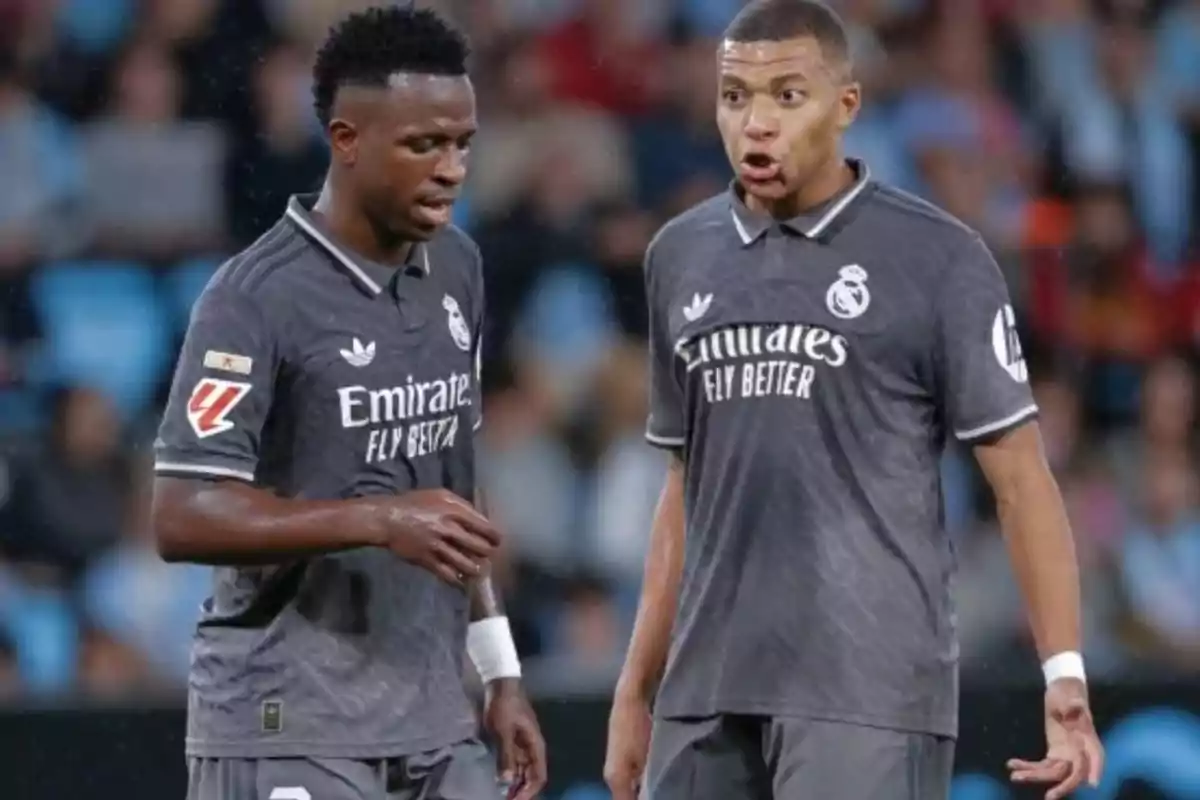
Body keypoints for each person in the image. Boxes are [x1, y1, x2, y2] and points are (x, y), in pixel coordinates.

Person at [603, 2, 1105, 799]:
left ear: (846, 107)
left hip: (866, 690)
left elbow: (1020, 479)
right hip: (704, 691)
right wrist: (635, 691)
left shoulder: (939, 258)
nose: (756, 124)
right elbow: (683, 486)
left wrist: (1065, 675)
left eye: (787, 96)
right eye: (736, 97)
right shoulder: (680, 256)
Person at [150, 7, 546, 800]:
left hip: (433, 716)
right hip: (288, 721)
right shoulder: (254, 299)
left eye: (462, 143)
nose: (451, 168)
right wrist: (377, 520)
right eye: (422, 145)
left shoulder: (458, 268)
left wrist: (498, 667)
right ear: (346, 140)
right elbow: (182, 514)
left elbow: (451, 494)